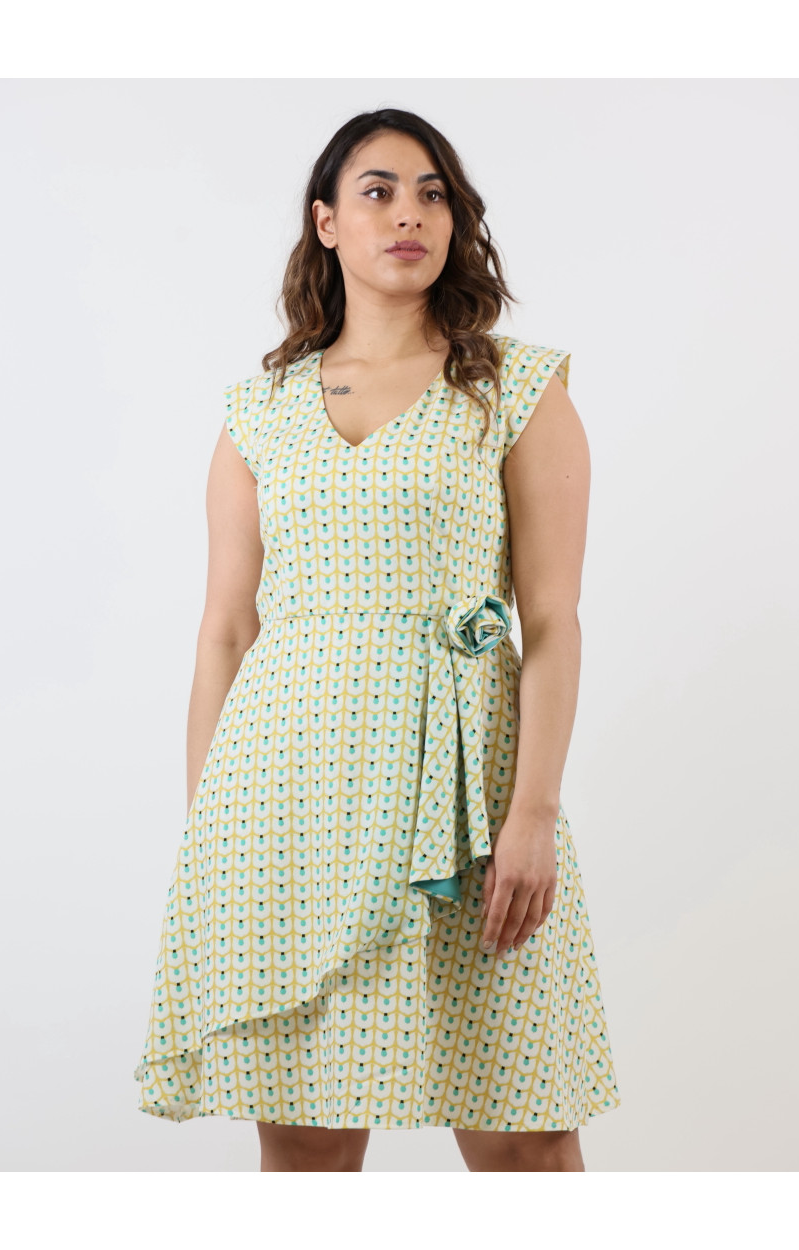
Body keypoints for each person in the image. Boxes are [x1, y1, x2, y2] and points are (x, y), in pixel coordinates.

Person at [133, 107, 621, 1172]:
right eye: (380, 191)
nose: (410, 214)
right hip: (283, 804)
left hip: (465, 797)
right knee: (306, 1144)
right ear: (326, 222)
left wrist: (533, 812)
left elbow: (551, 620)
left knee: (527, 1141)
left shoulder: (515, 387)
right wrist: (207, 837)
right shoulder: (258, 411)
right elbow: (224, 630)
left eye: (433, 194)